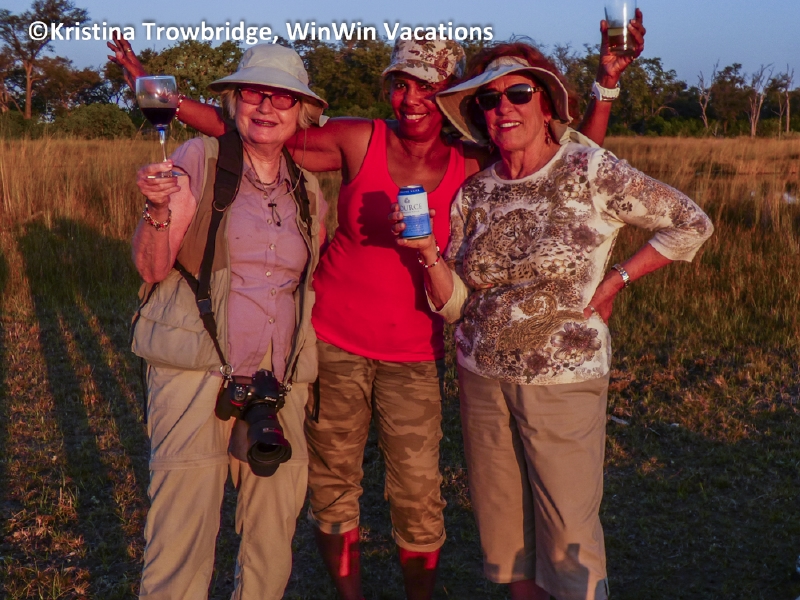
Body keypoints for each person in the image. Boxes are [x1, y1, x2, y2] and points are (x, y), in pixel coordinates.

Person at [111, 17, 646, 600]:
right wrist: (161, 95)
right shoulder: (357, 139)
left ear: (451, 92)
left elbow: (568, 159)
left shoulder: (474, 159)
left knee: (418, 492)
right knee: (332, 485)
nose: (411, 99)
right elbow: (253, 127)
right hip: (333, 342)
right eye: (400, 84)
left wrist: (605, 86)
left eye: (427, 86)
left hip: (415, 350)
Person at [392, 41, 713, 600]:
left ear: (546, 105)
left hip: (563, 380)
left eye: (519, 93)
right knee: (505, 533)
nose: (503, 108)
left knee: (568, 531)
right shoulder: (476, 192)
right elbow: (457, 304)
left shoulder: (589, 168)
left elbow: (691, 222)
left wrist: (618, 279)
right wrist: (425, 255)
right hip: (481, 378)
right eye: (488, 99)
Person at [129, 44, 327, 599]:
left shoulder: (308, 189)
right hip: (196, 372)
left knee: (272, 535)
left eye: (282, 98)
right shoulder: (198, 158)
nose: (266, 106)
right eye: (254, 93)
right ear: (234, 100)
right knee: (182, 532)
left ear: (301, 112)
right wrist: (157, 210)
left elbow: (302, 285)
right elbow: (152, 268)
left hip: (275, 381)